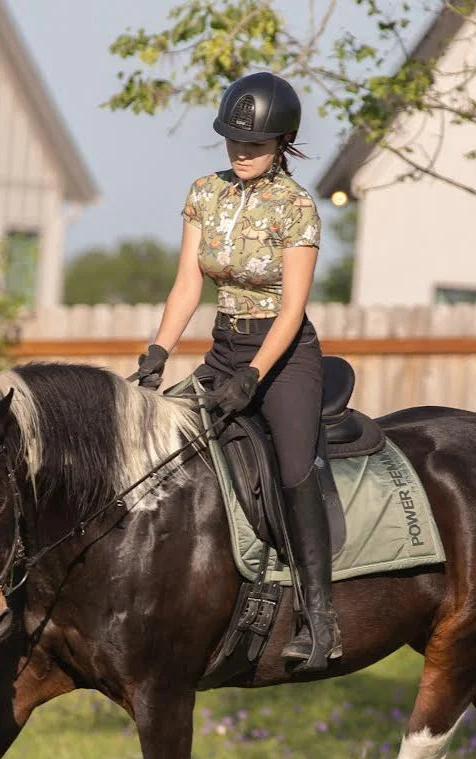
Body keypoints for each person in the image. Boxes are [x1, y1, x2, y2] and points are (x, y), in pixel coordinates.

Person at [133, 71, 341, 672]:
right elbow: (187, 285)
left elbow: (293, 306)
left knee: (295, 465)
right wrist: (156, 355)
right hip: (223, 347)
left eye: (255, 144)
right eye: (234, 142)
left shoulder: (297, 207)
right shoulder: (204, 193)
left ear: (283, 143)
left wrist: (254, 375)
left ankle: (320, 617)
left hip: (284, 355)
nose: (243, 153)